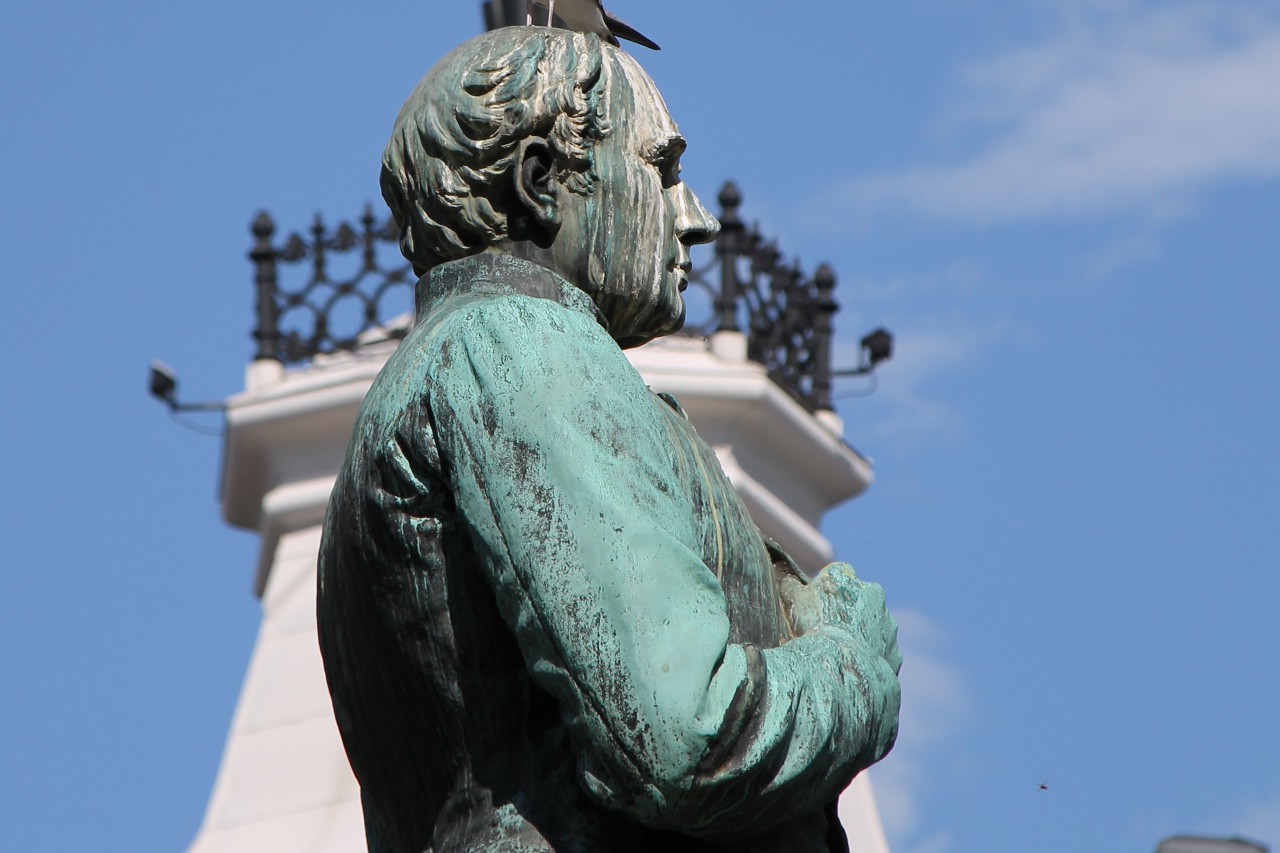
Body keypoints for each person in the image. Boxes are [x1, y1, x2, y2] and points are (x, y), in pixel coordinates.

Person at [317, 27, 901, 853]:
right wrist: (853, 670)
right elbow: (684, 735)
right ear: (542, 181)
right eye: (660, 170)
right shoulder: (522, 344)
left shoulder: (451, 367)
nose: (693, 219)